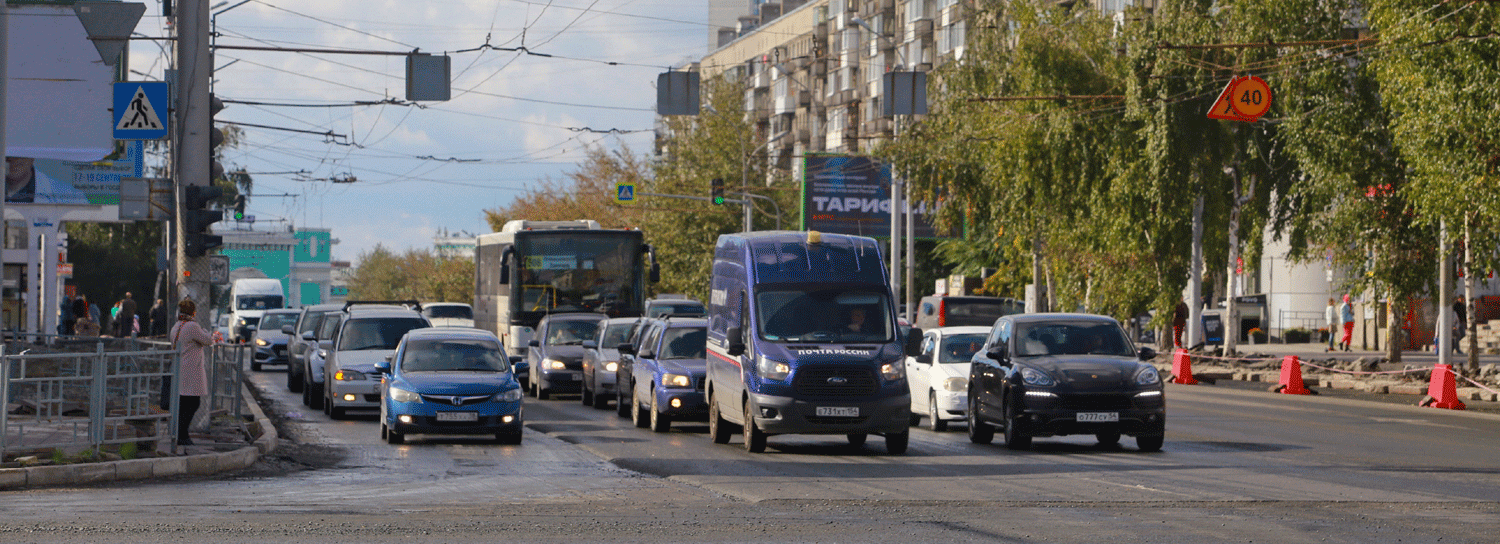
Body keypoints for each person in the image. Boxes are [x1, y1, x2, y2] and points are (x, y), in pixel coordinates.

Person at [169, 299, 212, 446]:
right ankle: (182, 434)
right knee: (193, 403)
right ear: (193, 312)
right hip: (190, 370)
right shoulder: (192, 326)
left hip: (179, 369)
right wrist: (206, 331)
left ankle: (180, 433)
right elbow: (207, 340)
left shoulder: (176, 326)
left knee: (184, 403)